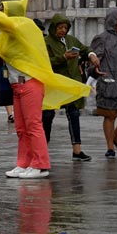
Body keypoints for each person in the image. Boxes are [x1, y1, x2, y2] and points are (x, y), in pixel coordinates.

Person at [0, 0, 90, 179]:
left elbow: (0, 20)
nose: (2, 11)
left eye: (3, 9)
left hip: (30, 83)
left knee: (33, 126)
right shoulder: (10, 32)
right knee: (22, 128)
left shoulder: (22, 25)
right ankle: (23, 163)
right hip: (18, 85)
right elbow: (12, 55)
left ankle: (40, 165)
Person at [42, 13, 98, 161]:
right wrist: (64, 57)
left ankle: (77, 150)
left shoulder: (71, 40)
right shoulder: (46, 42)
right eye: (60, 27)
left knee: (73, 114)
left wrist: (92, 55)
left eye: (65, 28)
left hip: (71, 83)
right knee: (47, 115)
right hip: (54, 84)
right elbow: (45, 62)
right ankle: (43, 147)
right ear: (53, 27)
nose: (63, 30)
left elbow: (84, 49)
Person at [91, 8, 117, 159]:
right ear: (114, 19)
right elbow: (94, 58)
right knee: (110, 115)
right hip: (109, 81)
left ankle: (116, 137)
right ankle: (110, 147)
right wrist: (95, 69)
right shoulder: (102, 38)